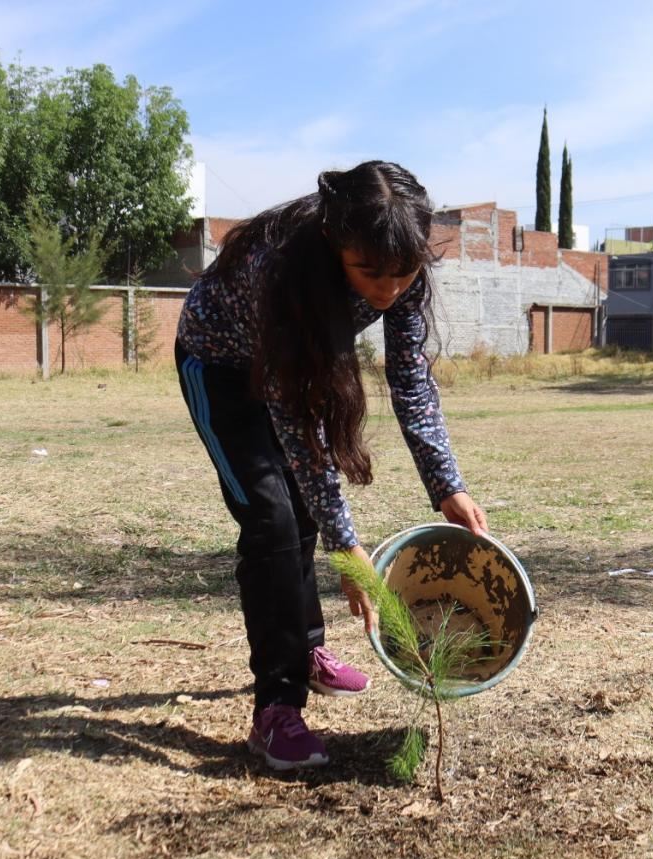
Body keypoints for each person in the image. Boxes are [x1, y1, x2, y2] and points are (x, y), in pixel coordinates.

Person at [174, 160, 487, 771]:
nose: (389, 289)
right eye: (370, 273)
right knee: (272, 520)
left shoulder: (396, 264)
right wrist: (351, 553)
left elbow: (410, 381)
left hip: (283, 372)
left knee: (302, 513)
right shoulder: (284, 274)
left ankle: (308, 649)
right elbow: (302, 429)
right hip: (221, 369)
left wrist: (445, 482)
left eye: (404, 274)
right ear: (336, 244)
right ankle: (276, 709)